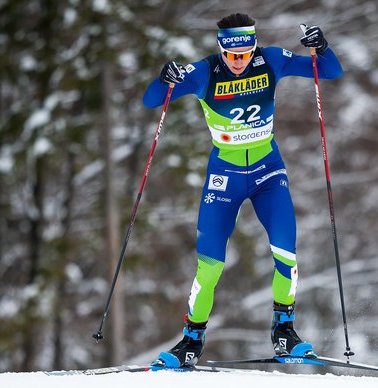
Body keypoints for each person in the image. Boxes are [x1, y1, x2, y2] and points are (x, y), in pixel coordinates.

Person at [143, 13, 342, 368]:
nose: (240, 62)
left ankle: (284, 331)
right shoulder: (204, 73)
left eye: (246, 53)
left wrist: (321, 47)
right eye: (232, 56)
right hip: (224, 177)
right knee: (210, 265)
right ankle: (191, 339)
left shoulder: (272, 61)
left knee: (286, 253)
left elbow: (328, 70)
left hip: (268, 171)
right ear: (221, 49)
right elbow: (151, 99)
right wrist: (164, 77)